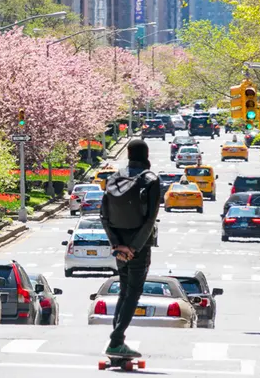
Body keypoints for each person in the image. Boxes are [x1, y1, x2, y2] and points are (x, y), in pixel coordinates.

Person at [100, 139, 161, 359]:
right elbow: (150, 219)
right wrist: (133, 248)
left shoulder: (114, 178)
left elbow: (104, 215)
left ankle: (117, 339)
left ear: (128, 154)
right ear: (146, 155)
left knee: (124, 290)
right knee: (133, 292)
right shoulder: (151, 180)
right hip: (138, 246)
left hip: (119, 245)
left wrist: (117, 245)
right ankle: (116, 341)